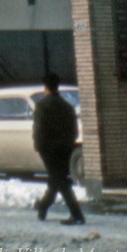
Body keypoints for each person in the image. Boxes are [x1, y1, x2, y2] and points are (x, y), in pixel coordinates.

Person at [32, 73, 85, 225]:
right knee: (57, 179)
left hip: (48, 149)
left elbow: (39, 130)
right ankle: (43, 206)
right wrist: (68, 142)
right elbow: (74, 131)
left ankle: (77, 215)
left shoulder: (42, 106)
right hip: (65, 147)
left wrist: (39, 146)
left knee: (60, 181)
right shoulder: (67, 107)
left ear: (46, 87)